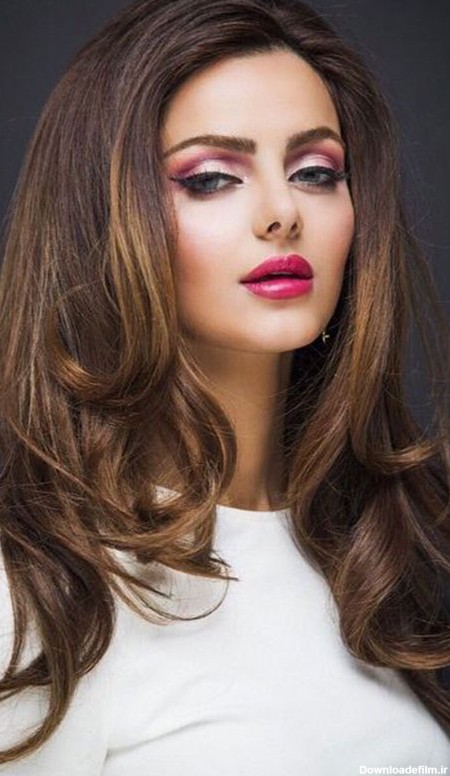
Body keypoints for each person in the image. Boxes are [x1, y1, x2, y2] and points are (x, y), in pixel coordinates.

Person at [0, 0, 449, 772]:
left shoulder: (396, 554)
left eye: (316, 172)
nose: (281, 213)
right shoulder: (42, 595)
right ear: (103, 220)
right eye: (210, 179)